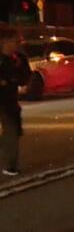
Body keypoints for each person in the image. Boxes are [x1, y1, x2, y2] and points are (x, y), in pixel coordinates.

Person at [0, 37, 31, 176]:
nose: (16, 45)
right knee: (11, 132)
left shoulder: (18, 59)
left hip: (9, 101)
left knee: (13, 131)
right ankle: (10, 165)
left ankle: (10, 165)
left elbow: (25, 79)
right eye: (14, 41)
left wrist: (19, 69)